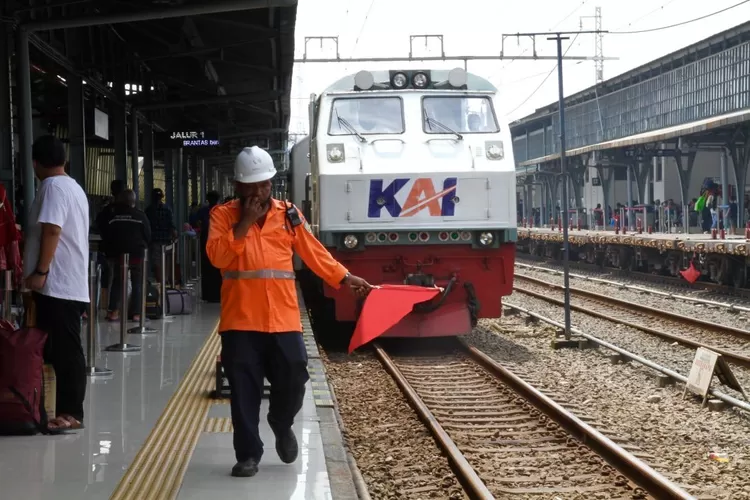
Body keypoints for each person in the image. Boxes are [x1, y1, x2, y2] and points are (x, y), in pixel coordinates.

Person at [206, 146, 372, 478]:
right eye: (251, 186)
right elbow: (218, 258)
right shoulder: (223, 216)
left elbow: (313, 252)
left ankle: (281, 422)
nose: (258, 192)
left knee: (296, 374)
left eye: (264, 185)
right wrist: (246, 223)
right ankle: (248, 455)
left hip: (282, 317)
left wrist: (343, 277)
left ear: (272, 182)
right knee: (243, 390)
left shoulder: (289, 215)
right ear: (238, 187)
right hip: (241, 320)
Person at [23, 135, 89, 432]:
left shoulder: (52, 187)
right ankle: (57, 407)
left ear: (35, 163)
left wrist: (40, 271)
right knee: (60, 350)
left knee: (67, 351)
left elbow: (52, 231)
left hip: (58, 284)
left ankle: (71, 412)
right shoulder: (72, 186)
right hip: (67, 282)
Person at [102, 189, 151, 321]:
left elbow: (107, 236)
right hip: (136, 254)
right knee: (137, 282)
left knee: (118, 281)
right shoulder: (140, 216)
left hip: (119, 255)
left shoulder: (113, 217)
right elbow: (148, 235)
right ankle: (136, 314)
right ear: (133, 201)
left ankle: (113, 312)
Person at [192, 191, 222, 302]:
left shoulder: (203, 211)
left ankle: (207, 295)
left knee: (206, 269)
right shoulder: (221, 210)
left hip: (206, 241)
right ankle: (218, 294)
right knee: (218, 268)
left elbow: (197, 223)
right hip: (219, 242)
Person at [145, 188, 177, 284]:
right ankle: (166, 279)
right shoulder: (167, 209)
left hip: (154, 239)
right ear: (162, 197)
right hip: (166, 239)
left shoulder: (149, 210)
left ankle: (160, 281)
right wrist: (173, 236)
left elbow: (147, 225)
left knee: (156, 261)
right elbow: (171, 224)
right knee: (166, 260)